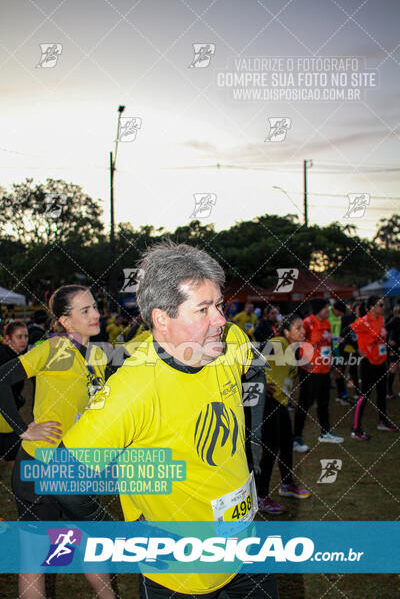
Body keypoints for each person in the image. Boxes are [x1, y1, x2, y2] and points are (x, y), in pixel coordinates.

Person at [54, 242, 279, 599]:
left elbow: (253, 371)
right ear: (162, 318)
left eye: (219, 304)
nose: (221, 319)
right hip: (180, 574)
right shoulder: (134, 389)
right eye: (204, 309)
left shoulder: (229, 340)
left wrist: (248, 449)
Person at [0, 285, 115, 599]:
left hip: (75, 470)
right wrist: (22, 430)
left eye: (95, 307)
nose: (95, 314)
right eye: (85, 310)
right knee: (37, 562)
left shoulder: (99, 354)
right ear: (65, 321)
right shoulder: (51, 349)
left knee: (91, 545)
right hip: (39, 468)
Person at [257, 314, 311, 515]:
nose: (303, 331)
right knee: (270, 449)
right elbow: (250, 357)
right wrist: (258, 383)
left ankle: (287, 485)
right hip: (267, 403)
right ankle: (261, 497)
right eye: (298, 328)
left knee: (286, 444)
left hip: (280, 403)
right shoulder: (278, 343)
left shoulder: (292, 350)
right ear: (287, 332)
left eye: (303, 327)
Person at [293, 298, 344, 453]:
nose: (328, 311)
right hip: (310, 371)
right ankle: (297, 438)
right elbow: (296, 343)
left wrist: (332, 362)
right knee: (304, 404)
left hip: (324, 370)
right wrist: (302, 363)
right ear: (318, 310)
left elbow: (327, 345)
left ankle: (325, 432)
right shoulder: (307, 323)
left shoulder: (327, 324)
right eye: (325, 309)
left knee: (323, 402)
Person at [350, 296, 398, 439]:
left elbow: (381, 338)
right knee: (364, 395)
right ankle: (356, 428)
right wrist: (358, 349)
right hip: (368, 364)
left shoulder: (381, 320)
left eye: (383, 305)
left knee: (382, 393)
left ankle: (382, 421)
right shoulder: (363, 321)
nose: (383, 307)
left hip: (381, 362)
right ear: (371, 307)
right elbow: (347, 334)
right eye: (381, 305)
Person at [0, 320, 28, 468]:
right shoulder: (5, 357)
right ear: (8, 339)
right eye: (19, 337)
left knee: (15, 457)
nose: (24, 340)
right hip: (4, 418)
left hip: (7, 417)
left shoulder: (16, 357)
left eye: (26, 336)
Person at [328, 300, 352, 406]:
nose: (342, 315)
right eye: (341, 313)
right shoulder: (326, 313)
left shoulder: (339, 316)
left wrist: (340, 337)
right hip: (325, 348)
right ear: (335, 310)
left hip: (336, 347)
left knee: (339, 370)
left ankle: (342, 395)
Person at [385, 306, 400, 399]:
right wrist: (389, 340)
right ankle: (389, 391)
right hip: (394, 348)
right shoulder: (394, 320)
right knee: (393, 369)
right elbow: (384, 329)